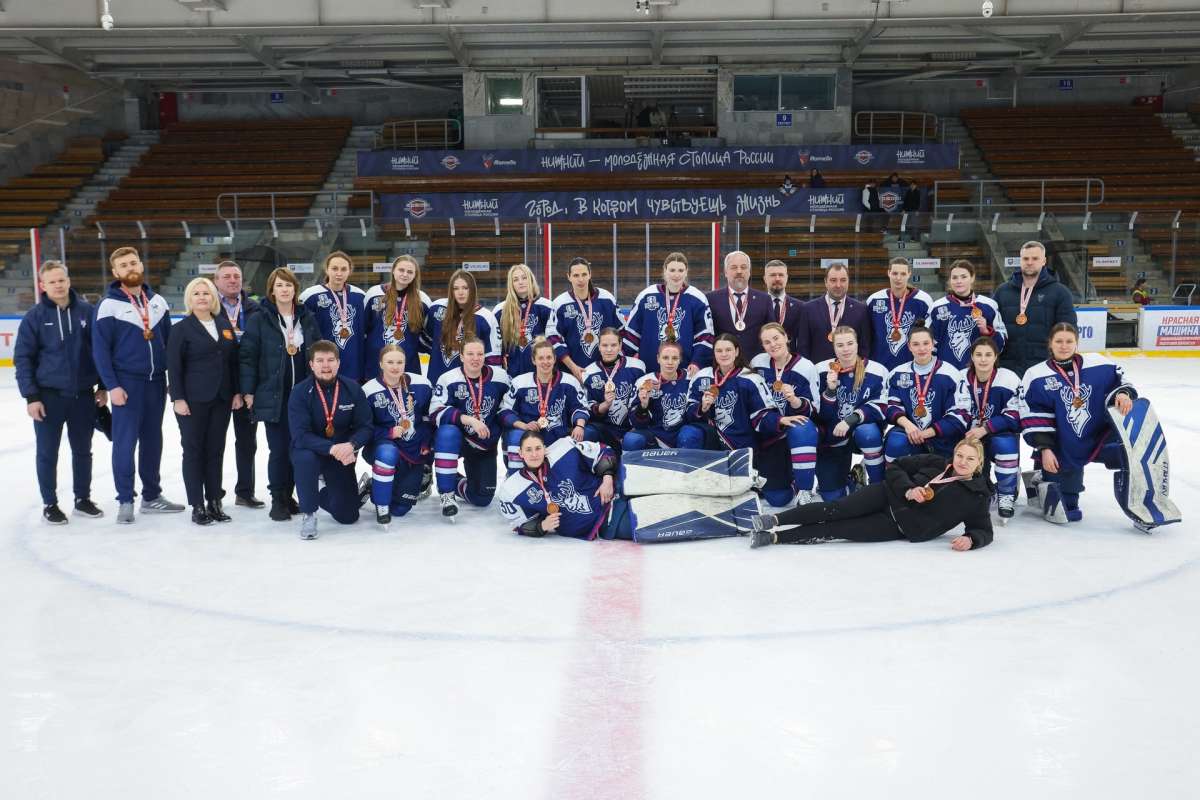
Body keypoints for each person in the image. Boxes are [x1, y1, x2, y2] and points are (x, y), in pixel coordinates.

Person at [748, 438, 994, 552]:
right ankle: (774, 520)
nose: (962, 462)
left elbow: (983, 530)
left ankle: (774, 538)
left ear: (979, 463)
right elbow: (896, 466)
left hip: (897, 526)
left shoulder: (977, 495)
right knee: (834, 509)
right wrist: (908, 488)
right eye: (960, 455)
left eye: (970, 459)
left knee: (836, 529)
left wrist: (972, 540)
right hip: (886, 495)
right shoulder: (936, 462)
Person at [93, 246, 184, 523]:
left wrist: (172, 380)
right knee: (125, 442)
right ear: (115, 272)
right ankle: (125, 500)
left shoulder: (158, 302)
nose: (130, 268)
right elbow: (100, 352)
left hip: (156, 383)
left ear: (141, 265)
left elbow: (170, 346)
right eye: (123, 265)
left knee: (153, 440)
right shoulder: (108, 305)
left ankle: (152, 496)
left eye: (133, 262)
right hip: (127, 385)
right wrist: (111, 386)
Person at [15, 260, 106, 524]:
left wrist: (103, 386)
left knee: (83, 451)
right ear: (43, 285)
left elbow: (100, 351)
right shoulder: (34, 317)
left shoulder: (87, 312)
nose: (57, 285)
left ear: (68, 281)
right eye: (51, 281)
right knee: (47, 453)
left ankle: (82, 499)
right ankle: (50, 504)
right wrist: (32, 397)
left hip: (83, 396)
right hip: (48, 397)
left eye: (61, 280)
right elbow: (23, 359)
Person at [1019, 323, 1138, 525]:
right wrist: (1045, 449)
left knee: (1126, 457)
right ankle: (1042, 477)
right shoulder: (1036, 375)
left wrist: (1123, 393)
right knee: (1067, 510)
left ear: (1077, 343)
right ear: (1050, 344)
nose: (1064, 346)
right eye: (1059, 341)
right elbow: (1033, 415)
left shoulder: (1099, 364)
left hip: (1099, 435)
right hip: (1063, 443)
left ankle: (1139, 499)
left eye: (1069, 341)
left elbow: (1121, 381)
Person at [239, 267, 322, 522]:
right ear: (272, 290)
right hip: (274, 395)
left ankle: (289, 495)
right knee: (278, 449)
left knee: (298, 447)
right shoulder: (260, 319)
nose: (284, 290)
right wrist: (248, 391)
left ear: (295, 289)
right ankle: (277, 499)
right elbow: (248, 357)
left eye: (288, 285)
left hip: (303, 397)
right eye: (279, 285)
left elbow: (318, 352)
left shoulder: (307, 317)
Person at [167, 277, 242, 526]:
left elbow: (233, 363)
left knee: (215, 450)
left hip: (221, 398)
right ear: (189, 299)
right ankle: (197, 504)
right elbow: (174, 367)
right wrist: (178, 398)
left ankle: (214, 501)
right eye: (197, 293)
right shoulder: (181, 329)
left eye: (206, 293)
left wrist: (236, 392)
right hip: (192, 400)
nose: (202, 297)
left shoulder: (224, 325)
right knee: (194, 451)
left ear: (213, 298)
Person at [288, 340, 373, 539]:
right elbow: (300, 435)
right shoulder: (300, 392)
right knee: (306, 459)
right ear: (311, 364)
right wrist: (332, 448)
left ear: (338, 363)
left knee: (348, 516)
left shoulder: (352, 388)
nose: (325, 365)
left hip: (340, 454)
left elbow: (366, 427)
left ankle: (319, 489)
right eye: (320, 361)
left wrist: (352, 445)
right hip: (310, 450)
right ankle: (309, 512)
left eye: (330, 360)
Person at [430, 337, 511, 518]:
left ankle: (453, 480)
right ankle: (446, 492)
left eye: (480, 354)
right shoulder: (448, 378)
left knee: (482, 498)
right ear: (461, 356)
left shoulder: (501, 378)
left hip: (484, 444)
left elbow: (508, 408)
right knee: (447, 432)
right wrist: (469, 420)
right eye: (470, 354)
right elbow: (435, 413)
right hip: (458, 441)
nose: (475, 358)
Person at [496, 430, 629, 540]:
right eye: (528, 450)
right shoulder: (512, 489)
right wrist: (542, 526)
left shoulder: (564, 448)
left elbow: (603, 450)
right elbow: (521, 525)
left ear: (544, 448)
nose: (534, 454)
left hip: (615, 494)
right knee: (639, 525)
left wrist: (607, 478)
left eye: (538, 448)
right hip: (604, 525)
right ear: (520, 453)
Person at [812, 326, 888, 500]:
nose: (845, 349)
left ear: (857, 344)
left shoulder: (877, 370)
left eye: (850, 343)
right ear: (833, 347)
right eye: (840, 345)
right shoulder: (820, 370)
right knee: (831, 497)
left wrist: (851, 419)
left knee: (867, 433)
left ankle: (877, 487)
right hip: (833, 436)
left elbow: (882, 406)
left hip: (861, 431)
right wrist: (830, 390)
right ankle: (854, 478)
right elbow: (821, 416)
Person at [362, 345, 434, 526]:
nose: (395, 367)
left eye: (399, 362)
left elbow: (429, 419)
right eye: (390, 362)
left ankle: (373, 486)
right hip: (384, 446)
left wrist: (426, 442)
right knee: (388, 453)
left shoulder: (422, 384)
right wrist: (388, 433)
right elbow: (363, 428)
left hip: (413, 449)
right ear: (381, 364)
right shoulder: (369, 390)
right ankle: (381, 505)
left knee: (400, 509)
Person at [750, 323, 821, 506]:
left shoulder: (806, 367)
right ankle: (790, 479)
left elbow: (815, 410)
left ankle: (805, 489)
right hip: (770, 431)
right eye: (767, 342)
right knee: (778, 499)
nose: (773, 344)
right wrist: (777, 420)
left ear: (786, 337)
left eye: (776, 338)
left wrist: (795, 401)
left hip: (794, 430)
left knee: (802, 427)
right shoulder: (757, 363)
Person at [213, 260, 264, 509]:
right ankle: (214, 494)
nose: (233, 280)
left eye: (236, 276)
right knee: (215, 443)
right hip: (218, 386)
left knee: (247, 442)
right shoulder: (209, 307)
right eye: (226, 276)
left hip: (247, 385)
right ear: (216, 281)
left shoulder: (255, 308)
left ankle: (245, 491)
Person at [954, 337, 1021, 520]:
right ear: (972, 357)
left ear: (995, 357)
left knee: (1005, 445)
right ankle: (973, 489)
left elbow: (1016, 413)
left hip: (997, 432)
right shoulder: (960, 377)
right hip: (968, 433)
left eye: (988, 355)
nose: (983, 359)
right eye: (978, 354)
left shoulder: (1009, 378)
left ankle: (1006, 493)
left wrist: (987, 428)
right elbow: (955, 408)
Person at [679, 334, 780, 455]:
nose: (724, 354)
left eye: (728, 350)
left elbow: (762, 414)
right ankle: (690, 467)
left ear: (736, 352)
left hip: (741, 441)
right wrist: (702, 408)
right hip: (711, 438)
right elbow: (688, 413)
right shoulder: (702, 376)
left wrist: (780, 420)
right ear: (714, 353)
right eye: (719, 350)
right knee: (688, 433)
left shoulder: (751, 379)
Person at [499, 338, 589, 474]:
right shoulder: (520, 382)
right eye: (541, 358)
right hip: (529, 437)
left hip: (558, 436)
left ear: (555, 359)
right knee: (516, 436)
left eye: (549, 358)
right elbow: (504, 411)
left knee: (587, 434)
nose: (545, 362)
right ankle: (515, 477)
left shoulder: (569, 381)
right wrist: (524, 426)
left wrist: (579, 426)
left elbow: (580, 407)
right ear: (533, 360)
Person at [881, 325, 965, 464]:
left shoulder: (951, 374)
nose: (921, 348)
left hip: (942, 439)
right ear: (909, 346)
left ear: (933, 344)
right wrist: (908, 426)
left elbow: (960, 415)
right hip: (909, 434)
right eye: (916, 344)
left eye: (926, 343)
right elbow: (890, 406)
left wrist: (926, 433)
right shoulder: (897, 373)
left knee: (934, 474)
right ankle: (892, 476)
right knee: (895, 442)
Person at [994, 240, 1076, 377]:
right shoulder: (1003, 291)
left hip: (1044, 367)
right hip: (1007, 367)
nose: (1030, 262)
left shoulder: (1060, 292)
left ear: (1044, 261)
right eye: (1025, 258)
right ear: (1020, 260)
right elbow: (993, 328)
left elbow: (1068, 330)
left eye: (1035, 258)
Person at [624, 251, 714, 375]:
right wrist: (626, 363)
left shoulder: (697, 298)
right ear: (665, 271)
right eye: (672, 270)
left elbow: (706, 336)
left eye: (680, 270)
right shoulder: (646, 295)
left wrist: (697, 362)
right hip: (649, 371)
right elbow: (631, 334)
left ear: (686, 272)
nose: (676, 275)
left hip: (684, 373)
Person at [545, 257, 622, 383]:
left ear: (590, 275)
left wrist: (615, 364)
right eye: (576, 275)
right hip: (571, 373)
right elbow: (553, 338)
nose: (580, 279)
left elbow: (622, 332)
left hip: (606, 373)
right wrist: (572, 367)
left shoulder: (607, 299)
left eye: (584, 274)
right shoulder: (560, 303)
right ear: (568, 277)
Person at [299, 251, 369, 382]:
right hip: (323, 367)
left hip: (353, 367)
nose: (339, 273)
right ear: (326, 269)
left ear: (349, 271)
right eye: (334, 268)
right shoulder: (310, 296)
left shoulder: (360, 296)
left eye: (343, 269)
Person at [424, 268, 502, 387]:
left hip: (470, 387)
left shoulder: (486, 317)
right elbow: (426, 338)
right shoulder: (437, 308)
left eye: (465, 288)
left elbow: (493, 358)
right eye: (456, 288)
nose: (460, 292)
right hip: (437, 382)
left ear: (473, 289)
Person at [928, 259, 1007, 371]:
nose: (959, 281)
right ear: (950, 280)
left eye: (963, 277)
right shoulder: (937, 307)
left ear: (972, 278)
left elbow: (1001, 344)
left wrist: (987, 331)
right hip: (946, 372)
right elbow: (928, 343)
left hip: (978, 372)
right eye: (954, 277)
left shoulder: (988, 305)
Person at [364, 254, 430, 381]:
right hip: (375, 364)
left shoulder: (423, 300)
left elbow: (427, 334)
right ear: (393, 270)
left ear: (415, 275)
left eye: (410, 272)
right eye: (401, 270)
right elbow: (363, 329)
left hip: (408, 365)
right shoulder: (374, 293)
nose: (405, 274)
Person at [626, 340, 700, 451]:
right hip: (656, 437)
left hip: (684, 434)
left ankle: (686, 459)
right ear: (658, 358)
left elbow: (697, 416)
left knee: (690, 434)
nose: (670, 362)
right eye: (665, 358)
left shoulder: (691, 378)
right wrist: (643, 406)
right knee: (631, 439)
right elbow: (636, 424)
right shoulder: (644, 381)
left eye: (674, 358)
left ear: (680, 359)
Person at [581, 328, 647, 449]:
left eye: (613, 345)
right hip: (605, 429)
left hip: (632, 427)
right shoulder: (589, 372)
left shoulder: (637, 367)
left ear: (620, 346)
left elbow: (642, 401)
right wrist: (605, 405)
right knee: (587, 432)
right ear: (599, 347)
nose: (609, 349)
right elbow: (588, 409)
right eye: (605, 345)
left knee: (633, 440)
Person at [864, 257, 933, 371]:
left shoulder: (924, 300)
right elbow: (866, 335)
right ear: (888, 273)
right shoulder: (874, 300)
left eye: (903, 274)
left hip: (911, 369)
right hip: (879, 368)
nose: (898, 278)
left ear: (909, 274)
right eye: (895, 273)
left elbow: (929, 337)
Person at [795, 263, 871, 363]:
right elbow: (803, 347)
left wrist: (859, 369)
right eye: (833, 280)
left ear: (848, 281)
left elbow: (864, 347)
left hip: (851, 370)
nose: (838, 285)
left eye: (843, 280)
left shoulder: (861, 309)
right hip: (818, 370)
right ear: (825, 282)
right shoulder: (808, 309)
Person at [706, 250, 773, 360]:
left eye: (743, 267)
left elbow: (770, 332)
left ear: (749, 272)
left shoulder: (765, 299)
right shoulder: (710, 299)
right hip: (723, 362)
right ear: (726, 272)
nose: (739, 271)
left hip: (755, 362)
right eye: (734, 267)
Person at [494, 263, 554, 378]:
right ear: (511, 284)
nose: (520, 282)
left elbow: (554, 342)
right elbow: (496, 346)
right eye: (516, 279)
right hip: (511, 376)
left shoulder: (546, 306)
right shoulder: (500, 310)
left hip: (540, 376)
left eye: (524, 278)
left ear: (531, 279)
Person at [762, 259, 805, 349]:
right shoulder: (757, 305)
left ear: (787, 278)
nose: (777, 278)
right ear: (765, 279)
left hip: (790, 356)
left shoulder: (801, 307)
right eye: (773, 275)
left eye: (781, 275)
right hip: (763, 356)